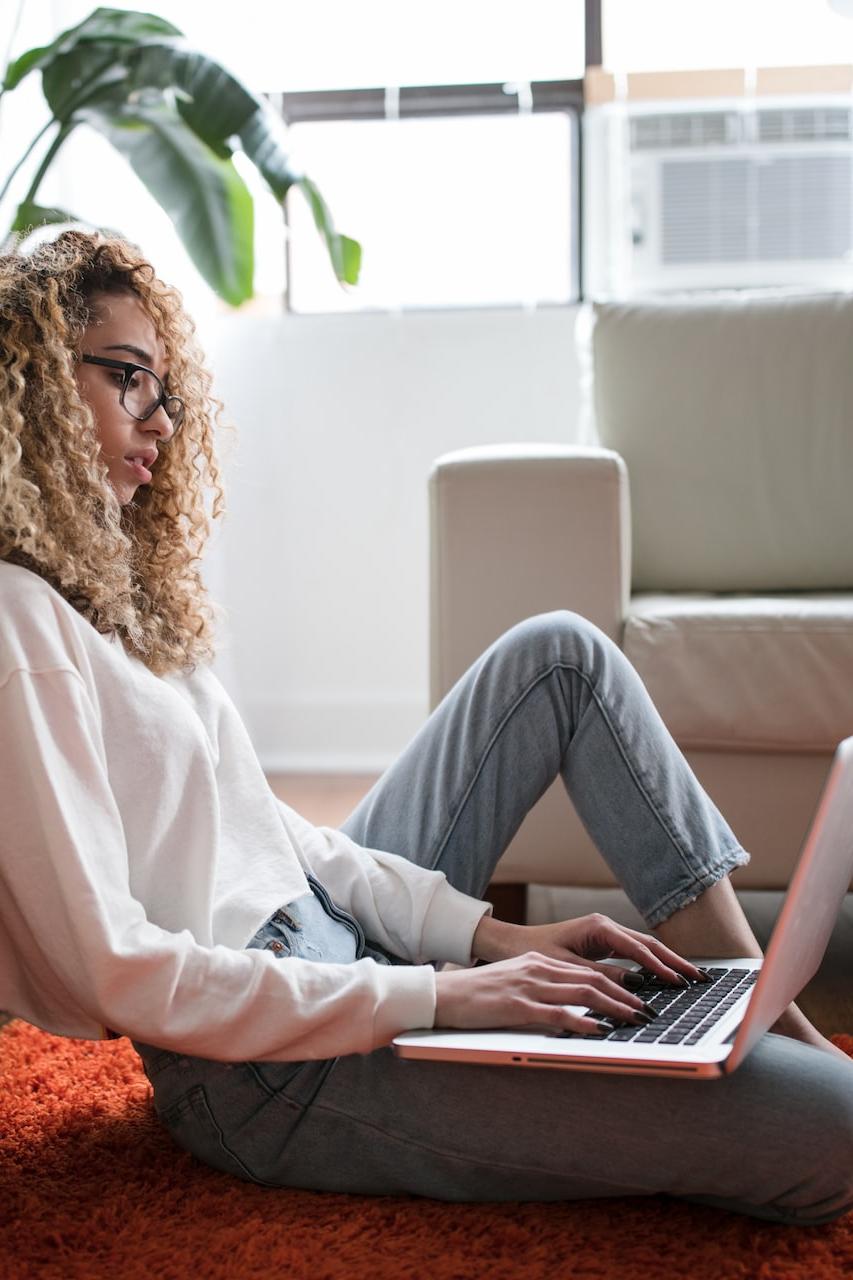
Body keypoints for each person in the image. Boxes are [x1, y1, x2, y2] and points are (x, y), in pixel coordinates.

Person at [0, 230, 850, 1227]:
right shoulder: (20, 620)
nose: (163, 416)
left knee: (559, 655)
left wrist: (485, 934)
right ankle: (755, 1041)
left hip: (336, 948)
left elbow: (277, 837)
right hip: (268, 1070)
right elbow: (116, 966)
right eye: (129, 378)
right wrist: (440, 995)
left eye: (167, 386)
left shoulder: (119, 596)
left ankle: (748, 1000)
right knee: (832, 1130)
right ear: (35, 387)